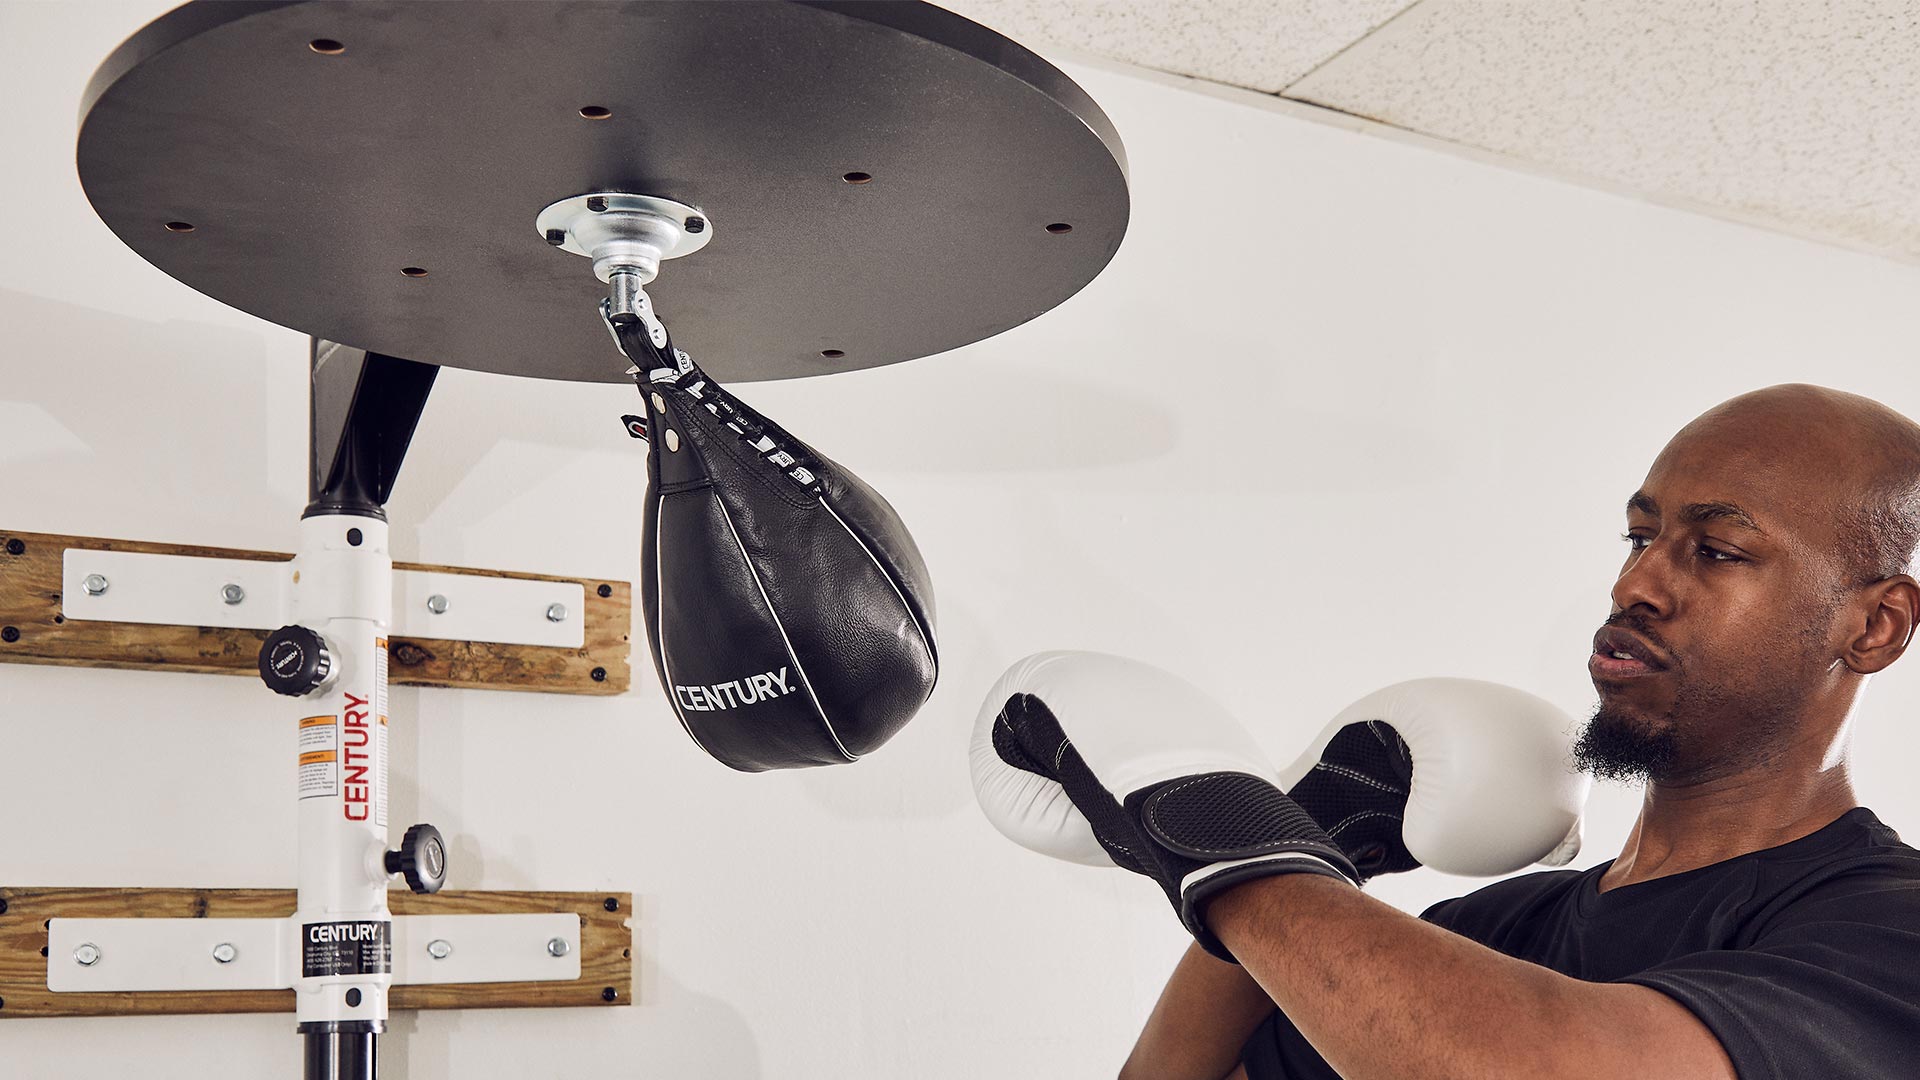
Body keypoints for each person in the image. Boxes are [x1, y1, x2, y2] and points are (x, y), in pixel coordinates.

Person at [990, 384, 1920, 1080]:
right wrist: (1310, 834)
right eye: (1640, 537)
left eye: (1714, 551)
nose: (1635, 586)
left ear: (1873, 626)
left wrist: (1221, 828)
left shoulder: (1886, 925)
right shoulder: (1492, 935)